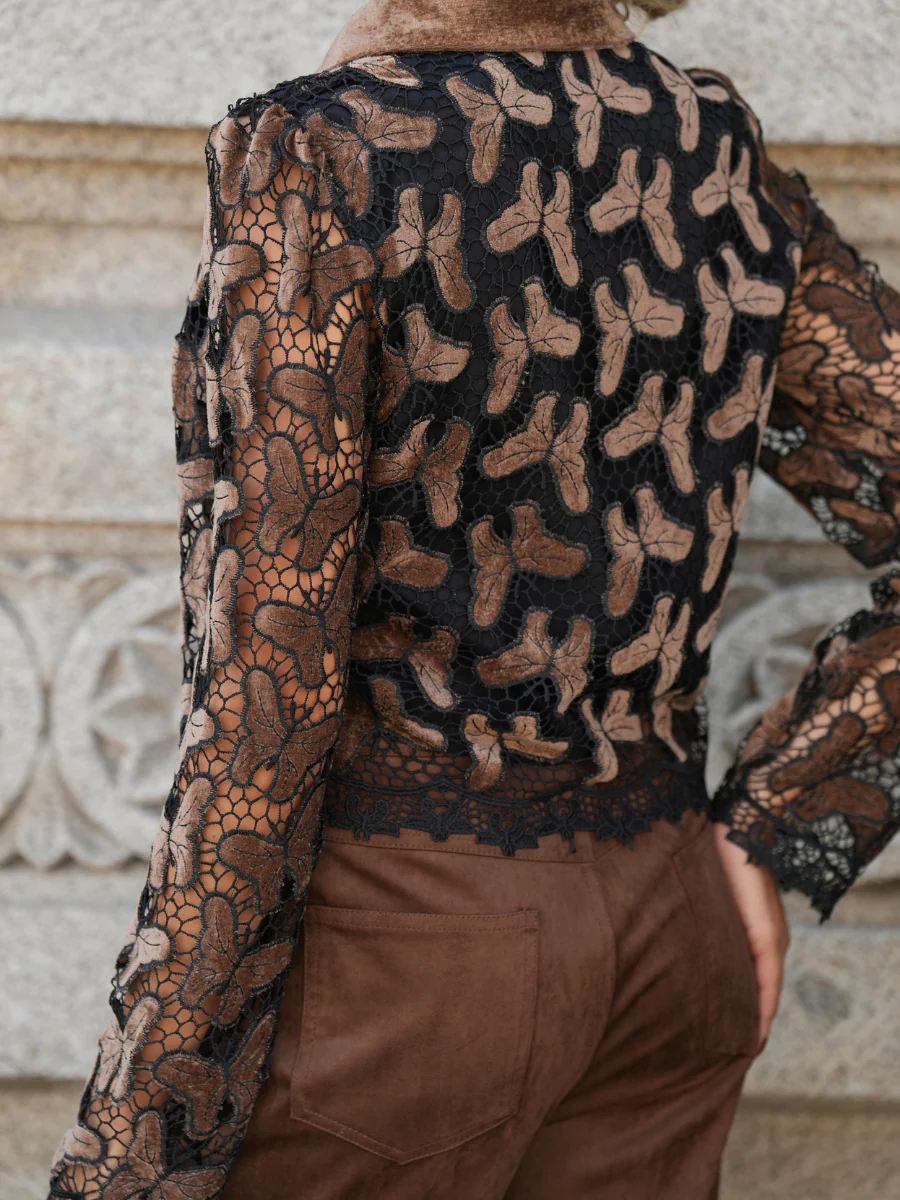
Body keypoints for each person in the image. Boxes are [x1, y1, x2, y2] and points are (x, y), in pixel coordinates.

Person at [49, 0, 900, 1196]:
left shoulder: (323, 151)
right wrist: (765, 826)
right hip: (673, 929)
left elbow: (269, 689)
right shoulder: (711, 144)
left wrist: (140, 1132)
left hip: (410, 962)